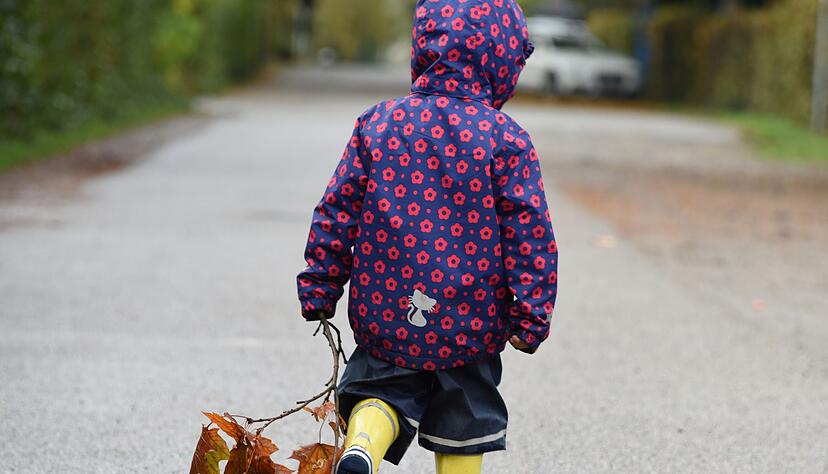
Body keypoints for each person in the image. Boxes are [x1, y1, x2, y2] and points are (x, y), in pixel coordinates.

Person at [297, 1, 558, 472]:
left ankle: (362, 446)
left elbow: (338, 210)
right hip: (471, 323)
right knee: (464, 426)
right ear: (502, 61)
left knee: (379, 394)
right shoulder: (506, 139)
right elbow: (529, 233)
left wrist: (320, 284)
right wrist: (531, 314)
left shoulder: (379, 124)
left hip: (388, 311)